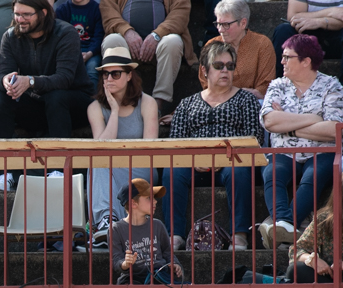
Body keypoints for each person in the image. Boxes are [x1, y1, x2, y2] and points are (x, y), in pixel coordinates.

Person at [165, 40, 263, 252]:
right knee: (171, 171)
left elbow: (256, 140)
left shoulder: (245, 100)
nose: (225, 70)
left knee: (239, 171)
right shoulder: (187, 103)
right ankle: (175, 235)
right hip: (195, 166)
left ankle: (239, 235)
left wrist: (223, 159)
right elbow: (175, 144)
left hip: (232, 163)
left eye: (230, 66)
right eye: (219, 66)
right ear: (204, 70)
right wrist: (194, 160)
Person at [259, 34, 343, 250]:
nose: (282, 62)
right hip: (283, 151)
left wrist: (290, 125)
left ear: (306, 61)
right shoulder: (277, 85)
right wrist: (315, 119)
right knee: (272, 173)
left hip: (321, 151)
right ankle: (285, 224)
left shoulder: (331, 86)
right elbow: (269, 121)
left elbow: (335, 129)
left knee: (313, 176)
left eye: (287, 57)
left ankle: (282, 226)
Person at [0, 0, 93, 143]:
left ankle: (60, 162)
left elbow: (64, 79)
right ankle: (3, 160)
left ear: (43, 13)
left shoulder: (65, 33)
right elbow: (3, 74)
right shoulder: (10, 37)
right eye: (16, 14)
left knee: (56, 97)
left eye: (26, 15)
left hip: (72, 104)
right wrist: (6, 81)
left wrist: (31, 81)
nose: (20, 20)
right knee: (0, 100)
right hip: (36, 104)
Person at [87, 47, 159, 245]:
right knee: (97, 160)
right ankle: (108, 222)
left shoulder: (147, 103)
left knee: (100, 162)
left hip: (141, 168)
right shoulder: (95, 108)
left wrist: (118, 159)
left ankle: (110, 224)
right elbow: (102, 147)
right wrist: (115, 111)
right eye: (105, 74)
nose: (109, 78)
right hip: (109, 167)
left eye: (115, 73)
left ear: (129, 75)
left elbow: (149, 150)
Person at [98, 0, 195, 120]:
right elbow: (108, 14)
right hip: (127, 46)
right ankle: (119, 105)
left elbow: (180, 15)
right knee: (111, 40)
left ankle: (157, 106)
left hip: (160, 44)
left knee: (173, 42)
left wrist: (157, 35)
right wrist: (126, 32)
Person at [111, 177, 183, 288]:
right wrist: (125, 263)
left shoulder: (157, 225)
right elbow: (115, 261)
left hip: (157, 276)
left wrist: (175, 264)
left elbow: (167, 252)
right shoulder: (116, 229)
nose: (155, 201)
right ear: (133, 203)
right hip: (132, 279)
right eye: (149, 198)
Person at [200, 0, 275, 98]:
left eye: (226, 24)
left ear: (243, 23)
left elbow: (265, 85)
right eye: (218, 24)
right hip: (217, 101)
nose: (220, 30)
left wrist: (241, 96)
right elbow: (205, 82)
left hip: (251, 102)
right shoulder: (211, 45)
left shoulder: (262, 44)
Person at [287, 188, 339, 288]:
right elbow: (296, 250)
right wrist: (312, 260)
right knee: (294, 270)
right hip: (330, 281)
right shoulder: (324, 219)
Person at [272, 0, 343, 79]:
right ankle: (282, 85)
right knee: (283, 30)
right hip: (306, 34)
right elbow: (293, 17)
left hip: (338, 36)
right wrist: (330, 12)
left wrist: (321, 22)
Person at [53, 0, 103, 85]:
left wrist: (89, 53)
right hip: (68, 50)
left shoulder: (97, 9)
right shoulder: (62, 9)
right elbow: (58, 36)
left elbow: (99, 36)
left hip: (91, 51)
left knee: (92, 70)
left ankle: (93, 97)